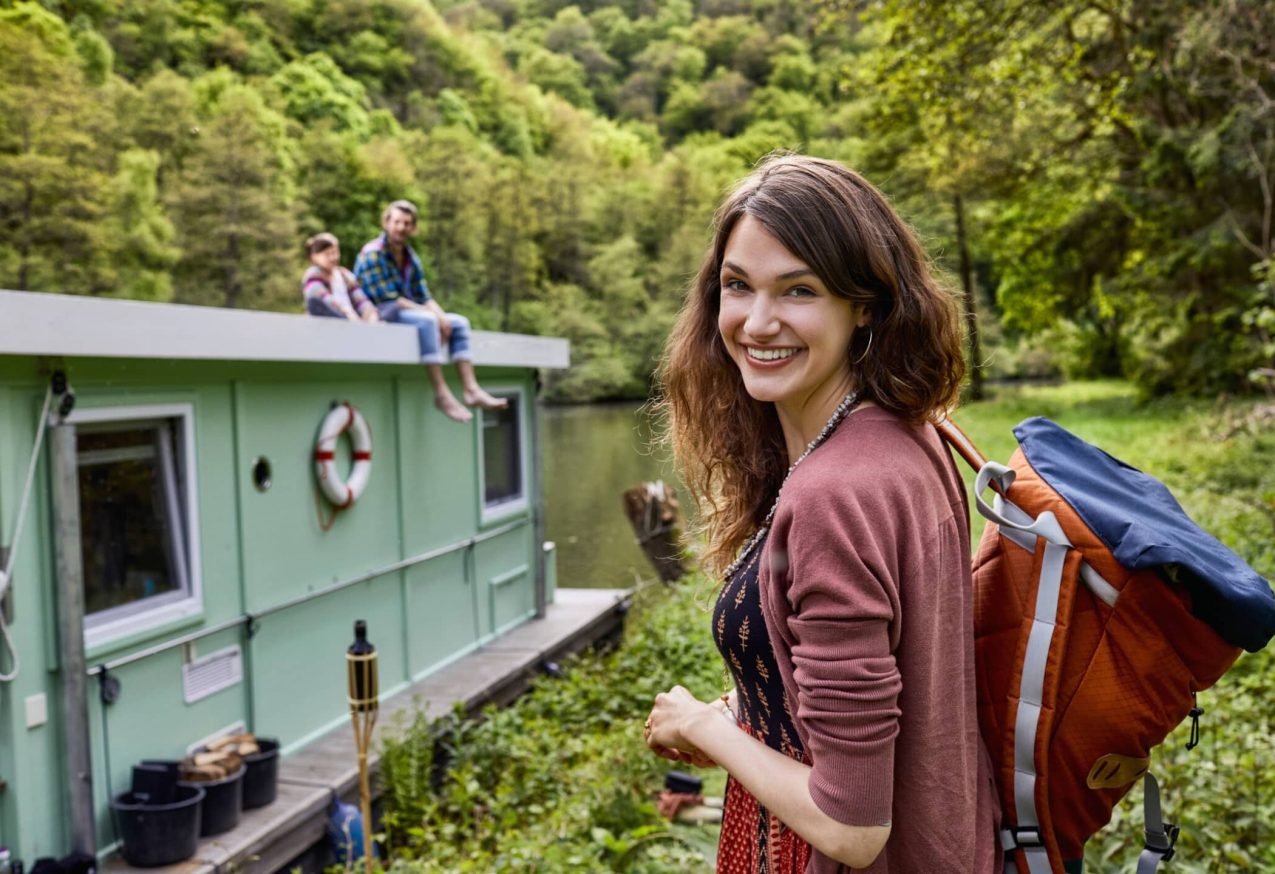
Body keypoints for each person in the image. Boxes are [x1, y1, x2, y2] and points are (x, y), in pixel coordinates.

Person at [644, 155, 1000, 874]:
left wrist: (699, 729)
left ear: (862, 303)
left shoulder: (831, 495)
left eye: (798, 290)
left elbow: (851, 824)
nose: (757, 321)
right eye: (736, 286)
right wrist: (741, 712)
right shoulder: (907, 432)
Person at [353, 200, 506, 423]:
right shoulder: (372, 253)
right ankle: (441, 393)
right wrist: (433, 317)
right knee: (427, 322)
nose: (401, 227)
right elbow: (390, 300)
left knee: (459, 323)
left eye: (406, 223)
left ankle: (471, 389)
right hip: (381, 313)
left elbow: (423, 295)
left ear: (413, 227)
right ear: (386, 223)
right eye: (396, 222)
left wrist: (442, 316)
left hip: (409, 310)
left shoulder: (410, 256)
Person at [301, 233, 381, 323]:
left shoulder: (345, 275)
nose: (333, 257)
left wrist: (371, 315)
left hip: (353, 324)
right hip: (327, 323)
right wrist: (349, 315)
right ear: (314, 256)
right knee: (315, 302)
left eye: (335, 252)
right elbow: (325, 300)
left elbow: (361, 300)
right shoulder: (312, 275)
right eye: (327, 254)